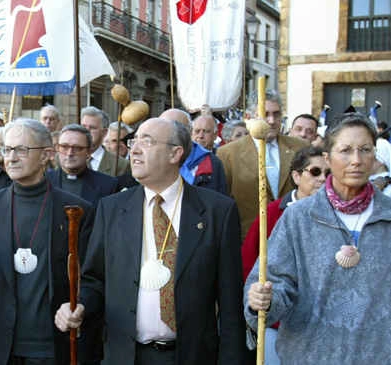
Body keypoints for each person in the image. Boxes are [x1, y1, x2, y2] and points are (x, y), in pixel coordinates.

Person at [55, 118, 245, 365]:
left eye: (147, 141)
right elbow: (95, 279)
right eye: (134, 141)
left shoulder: (217, 211)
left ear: (175, 153)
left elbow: (230, 302)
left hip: (191, 355)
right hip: (125, 355)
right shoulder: (111, 208)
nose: (134, 149)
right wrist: (79, 305)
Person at [245, 113, 391, 364]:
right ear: (327, 158)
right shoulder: (298, 218)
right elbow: (275, 280)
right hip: (310, 354)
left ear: (374, 156)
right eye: (345, 150)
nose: (356, 160)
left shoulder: (387, 215)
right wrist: (265, 300)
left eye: (365, 150)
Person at [0, 118, 94, 365]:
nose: (11, 157)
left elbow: (92, 277)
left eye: (21, 150)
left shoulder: (75, 210)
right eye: (7, 149)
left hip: (52, 344)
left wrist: (79, 305)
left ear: (46, 155)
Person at [240, 146, 328, 365]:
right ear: (297, 176)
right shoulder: (272, 213)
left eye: (329, 174)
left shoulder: (336, 215)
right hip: (277, 322)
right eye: (315, 172)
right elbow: (250, 262)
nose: (323, 179)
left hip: (321, 324)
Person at [217, 90, 310, 240]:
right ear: (249, 117)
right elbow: (221, 203)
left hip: (295, 237)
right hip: (248, 241)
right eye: (265, 114)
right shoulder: (227, 154)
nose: (272, 120)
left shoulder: (301, 148)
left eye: (276, 114)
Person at [46, 124, 118, 206]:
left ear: (88, 152)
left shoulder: (107, 184)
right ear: (58, 149)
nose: (70, 153)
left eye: (77, 148)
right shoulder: (44, 181)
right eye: (64, 146)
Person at [162, 109, 229, 195]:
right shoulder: (150, 158)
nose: (200, 136)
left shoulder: (213, 162)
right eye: (197, 131)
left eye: (206, 131)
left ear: (188, 132)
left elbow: (219, 202)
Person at [80, 106, 130, 178]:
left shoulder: (121, 165)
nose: (86, 131)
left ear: (104, 132)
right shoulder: (68, 156)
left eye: (92, 128)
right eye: (83, 127)